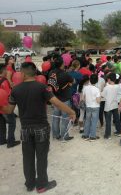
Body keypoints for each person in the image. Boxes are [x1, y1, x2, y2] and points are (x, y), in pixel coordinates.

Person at [0, 62, 76, 193]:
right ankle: (41, 185)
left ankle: (29, 184)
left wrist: (1, 105)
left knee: (27, 157)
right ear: (35, 73)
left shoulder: (16, 90)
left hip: (25, 129)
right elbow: (56, 103)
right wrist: (71, 112)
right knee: (41, 157)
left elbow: (9, 110)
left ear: (22, 74)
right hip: (41, 128)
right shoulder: (42, 87)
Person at [48, 57, 74, 141]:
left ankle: (56, 135)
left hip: (55, 98)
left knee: (55, 117)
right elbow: (72, 81)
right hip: (64, 99)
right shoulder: (65, 74)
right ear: (62, 65)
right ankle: (64, 136)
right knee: (65, 118)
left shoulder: (51, 73)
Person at [0, 64, 20, 148]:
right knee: (12, 123)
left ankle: (2, 140)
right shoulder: (4, 81)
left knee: (1, 124)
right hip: (5, 106)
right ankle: (10, 142)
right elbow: (9, 94)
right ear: (3, 71)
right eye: (5, 70)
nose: (7, 71)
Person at [102, 73, 121, 139]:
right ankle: (119, 131)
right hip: (115, 105)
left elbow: (102, 95)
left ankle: (107, 135)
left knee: (108, 121)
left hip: (108, 106)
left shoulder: (106, 87)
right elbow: (120, 95)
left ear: (109, 79)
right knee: (117, 119)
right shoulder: (118, 86)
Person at [82, 74, 101, 141]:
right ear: (97, 81)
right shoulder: (97, 89)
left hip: (88, 106)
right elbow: (98, 101)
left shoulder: (85, 88)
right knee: (94, 121)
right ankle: (92, 136)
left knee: (87, 120)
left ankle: (85, 135)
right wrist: (100, 98)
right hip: (95, 107)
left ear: (90, 80)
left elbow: (83, 98)